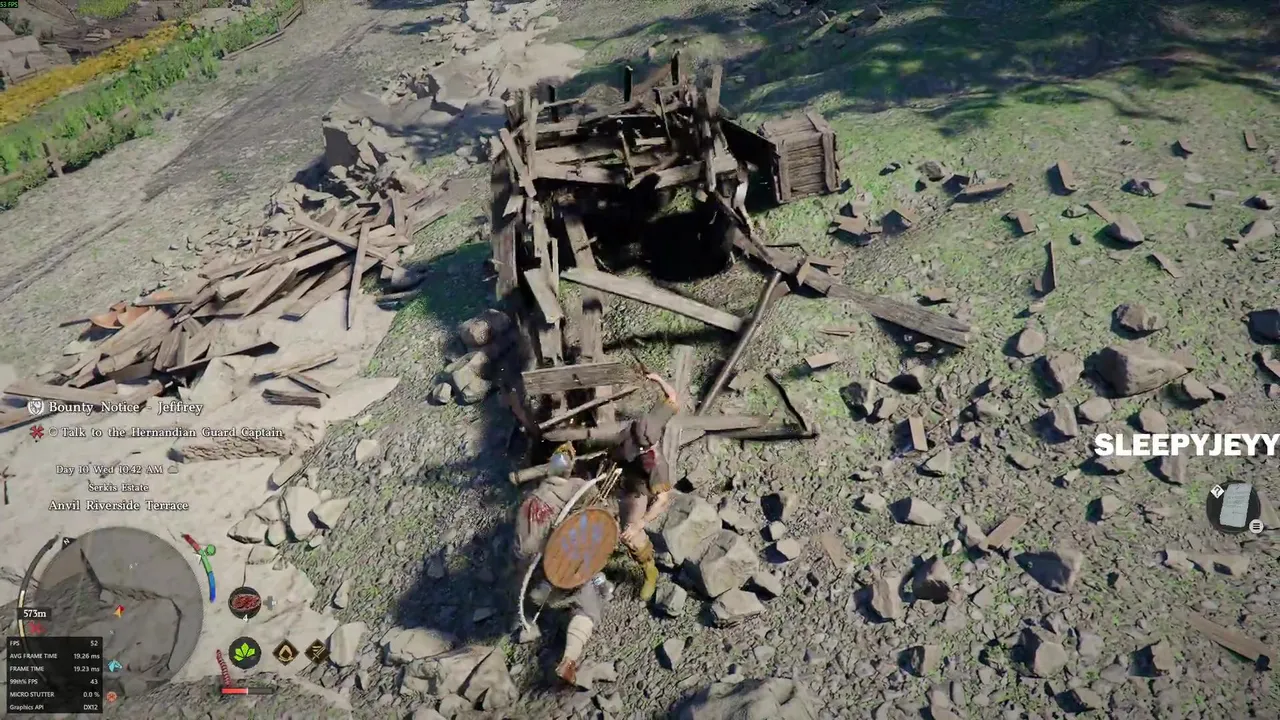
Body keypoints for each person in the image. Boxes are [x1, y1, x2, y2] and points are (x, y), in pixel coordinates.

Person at [514, 443, 612, 685]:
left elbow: (523, 550)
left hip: (546, 575)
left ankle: (539, 605)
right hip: (571, 568)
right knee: (588, 608)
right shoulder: (579, 487)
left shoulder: (530, 503)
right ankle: (569, 660)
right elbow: (601, 517)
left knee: (544, 589)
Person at [611, 372, 680, 602]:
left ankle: (650, 571)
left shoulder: (656, 466)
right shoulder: (654, 419)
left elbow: (662, 500)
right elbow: (672, 396)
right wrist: (657, 378)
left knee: (629, 535)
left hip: (637, 490)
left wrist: (640, 523)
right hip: (621, 469)